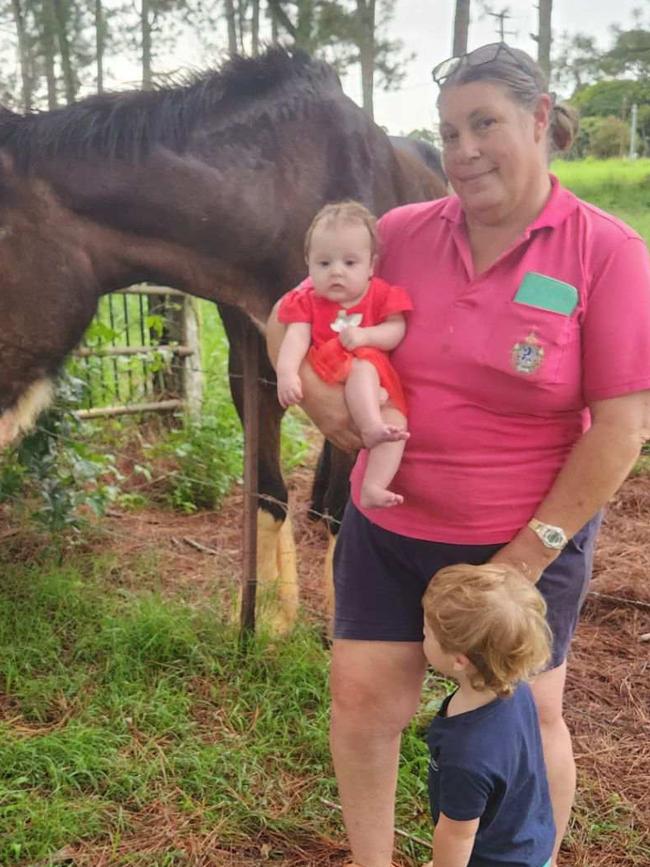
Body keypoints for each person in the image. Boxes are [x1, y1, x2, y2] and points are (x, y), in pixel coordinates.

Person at [266, 41, 650, 867]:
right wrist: (330, 407)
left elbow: (621, 427)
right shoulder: (399, 234)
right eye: (448, 131)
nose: (464, 149)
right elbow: (292, 306)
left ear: (541, 119)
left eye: (486, 123)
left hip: (528, 535)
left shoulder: (605, 252)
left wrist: (526, 555)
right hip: (390, 527)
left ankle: (527, 858)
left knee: (526, 713)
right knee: (362, 700)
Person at [276, 201, 412, 509]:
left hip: (379, 379)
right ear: (308, 264)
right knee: (363, 368)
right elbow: (295, 337)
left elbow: (396, 330)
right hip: (335, 368)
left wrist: (366, 336)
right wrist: (287, 373)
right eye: (324, 264)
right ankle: (369, 426)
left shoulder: (381, 294)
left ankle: (374, 486)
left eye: (350, 263)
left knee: (398, 424)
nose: (336, 272)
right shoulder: (308, 302)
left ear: (371, 265)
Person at [421, 563, 554, 867]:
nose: (421, 637)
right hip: (530, 847)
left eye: (426, 632)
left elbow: (457, 835)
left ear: (459, 660)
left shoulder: (466, 754)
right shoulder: (514, 690)